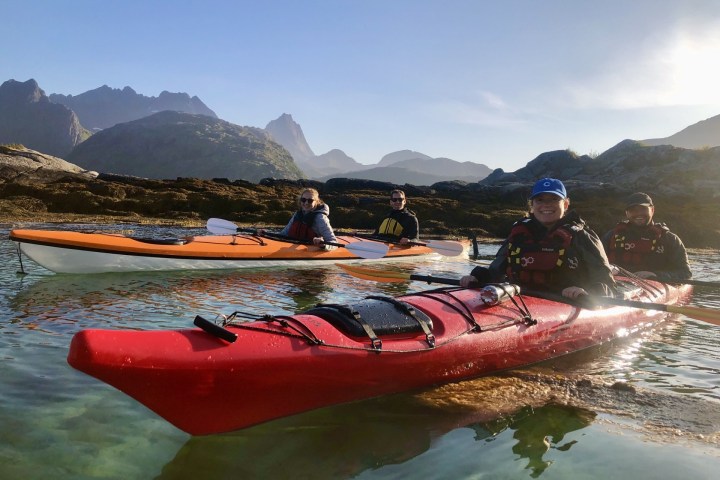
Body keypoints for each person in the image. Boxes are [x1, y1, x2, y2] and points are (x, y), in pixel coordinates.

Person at [460, 178, 616, 299]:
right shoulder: (519, 233)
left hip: (568, 302)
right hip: (522, 301)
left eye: (554, 199)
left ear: (566, 204)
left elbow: (606, 283)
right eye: (540, 200)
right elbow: (496, 270)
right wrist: (476, 278)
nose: (546, 205)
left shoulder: (582, 236)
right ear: (532, 205)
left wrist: (587, 292)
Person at [602, 192, 691, 281]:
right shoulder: (610, 236)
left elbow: (685, 273)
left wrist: (656, 275)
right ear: (626, 213)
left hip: (654, 286)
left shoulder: (670, 240)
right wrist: (608, 269)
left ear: (652, 210)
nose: (638, 214)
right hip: (617, 284)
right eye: (633, 210)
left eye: (643, 209)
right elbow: (595, 265)